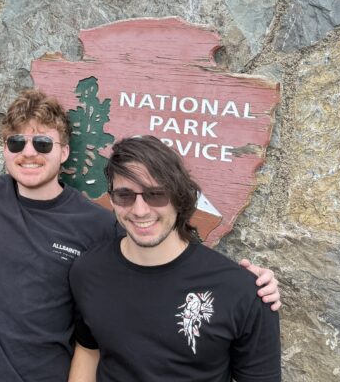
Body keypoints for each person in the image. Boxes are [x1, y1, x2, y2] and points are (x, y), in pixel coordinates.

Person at [0, 89, 279, 382]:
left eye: (42, 142)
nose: (29, 152)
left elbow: (159, 260)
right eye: (17, 142)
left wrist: (251, 284)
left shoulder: (98, 225)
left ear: (64, 152)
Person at [68, 135, 281, 382]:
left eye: (156, 194)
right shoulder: (88, 271)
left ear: (179, 197)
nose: (140, 210)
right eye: (125, 195)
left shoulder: (242, 291)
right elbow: (88, 351)